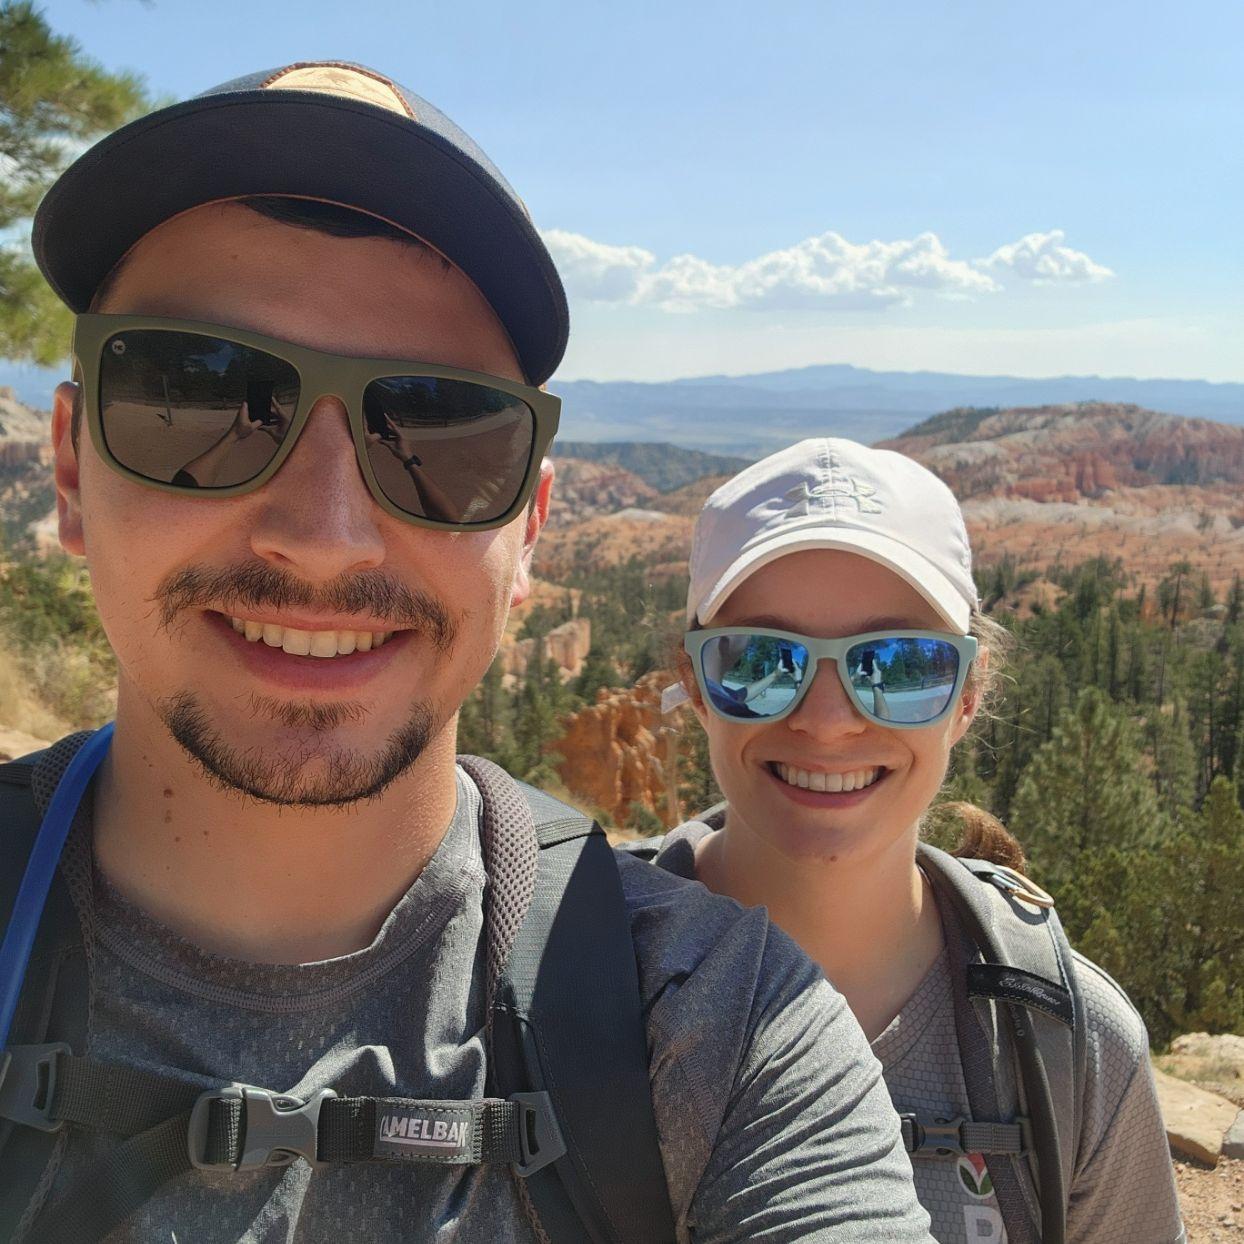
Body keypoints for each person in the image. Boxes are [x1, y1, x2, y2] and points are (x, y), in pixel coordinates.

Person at [0, 65, 937, 1243]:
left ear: (528, 529)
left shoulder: (718, 1032)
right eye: (200, 394)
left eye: (436, 429)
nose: (324, 537)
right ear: (73, 468)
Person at [655, 438, 1185, 1244]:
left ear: (967, 697)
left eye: (899, 666)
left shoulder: (1069, 1045)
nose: (827, 721)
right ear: (697, 685)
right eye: (763, 660)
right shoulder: (564, 986)